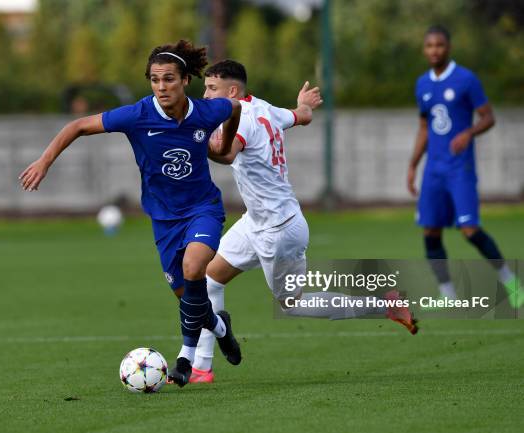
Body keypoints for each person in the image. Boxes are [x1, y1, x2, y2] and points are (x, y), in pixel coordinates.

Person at [18, 40, 242, 387]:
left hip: (203, 209)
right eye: (155, 80)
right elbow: (77, 126)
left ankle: (185, 358)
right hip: (164, 218)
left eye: (169, 79)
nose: (161, 87)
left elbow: (233, 107)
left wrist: (225, 147)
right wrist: (45, 161)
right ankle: (221, 326)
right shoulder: (138, 115)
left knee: (194, 267)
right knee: (188, 297)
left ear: (185, 80)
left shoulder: (205, 112)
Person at [189, 60, 418, 383]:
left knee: (292, 304)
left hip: (278, 230)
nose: (206, 95)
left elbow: (225, 155)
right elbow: (302, 116)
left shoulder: (243, 120)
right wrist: (302, 105)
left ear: (233, 91)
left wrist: (194, 141)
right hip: (257, 221)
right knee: (209, 277)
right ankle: (202, 367)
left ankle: (384, 306)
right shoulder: (267, 109)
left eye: (212, 88)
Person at [407, 25, 523, 307]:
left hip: (460, 169)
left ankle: (511, 281)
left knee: (469, 229)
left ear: (449, 47)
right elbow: (424, 128)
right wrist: (412, 165)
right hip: (433, 169)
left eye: (440, 45)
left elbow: (488, 117)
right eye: (430, 46)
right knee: (430, 230)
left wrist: (469, 132)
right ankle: (447, 293)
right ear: (425, 50)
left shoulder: (466, 79)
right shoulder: (422, 83)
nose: (435, 50)